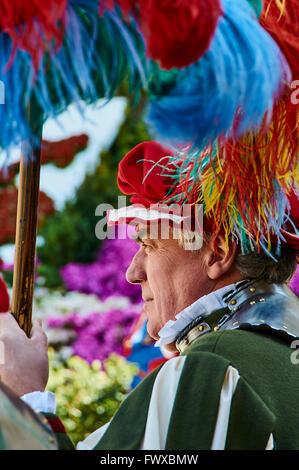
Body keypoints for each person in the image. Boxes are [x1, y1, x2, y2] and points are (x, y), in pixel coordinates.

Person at [0, 140, 298, 450]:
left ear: (217, 253)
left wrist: (25, 400)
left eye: (149, 246)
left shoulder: (209, 368)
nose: (132, 272)